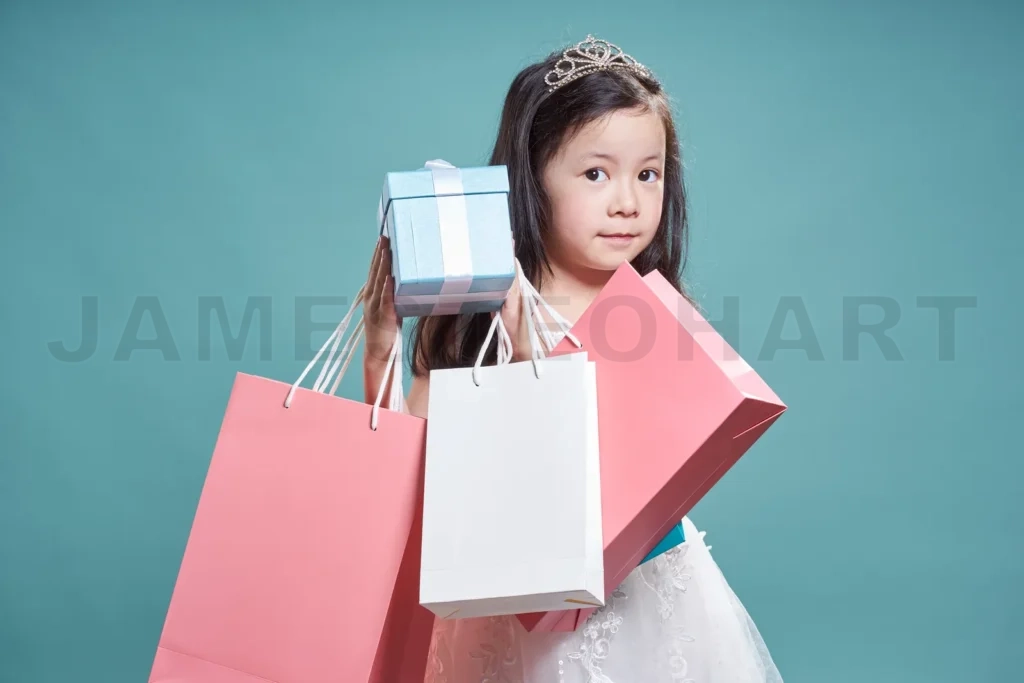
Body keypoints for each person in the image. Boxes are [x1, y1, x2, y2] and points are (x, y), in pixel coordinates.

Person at [361, 35, 783, 683]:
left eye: (648, 174)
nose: (627, 202)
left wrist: (541, 372)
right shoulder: (475, 310)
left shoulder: (657, 314)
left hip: (644, 598)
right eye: (595, 174)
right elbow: (410, 472)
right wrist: (381, 350)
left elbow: (644, 468)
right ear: (533, 177)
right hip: (506, 608)